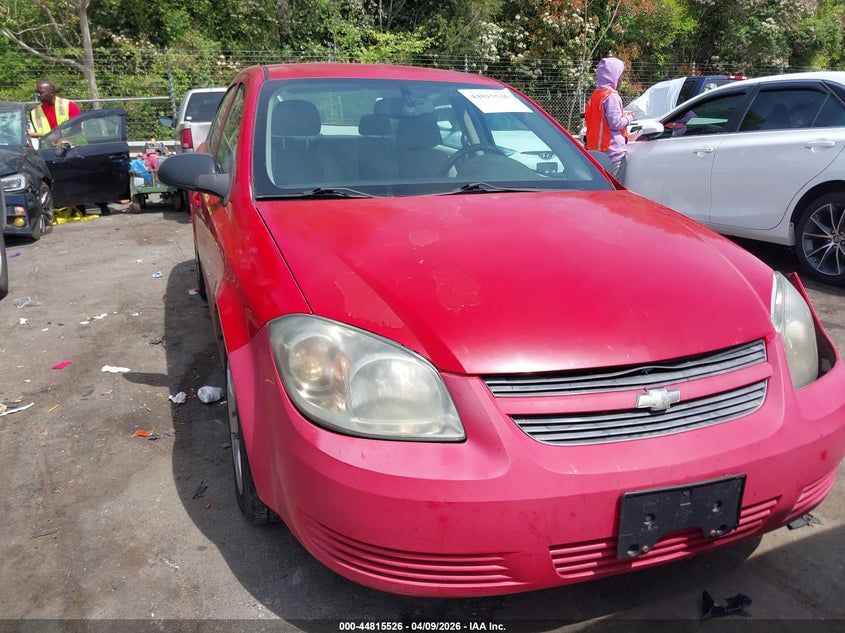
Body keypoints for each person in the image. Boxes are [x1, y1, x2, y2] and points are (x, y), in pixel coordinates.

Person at [584, 57, 635, 183]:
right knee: (615, 191)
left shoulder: (597, 94)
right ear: (614, 75)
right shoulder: (611, 96)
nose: (622, 79)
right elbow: (615, 123)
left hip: (597, 152)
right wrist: (630, 118)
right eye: (621, 75)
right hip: (614, 154)